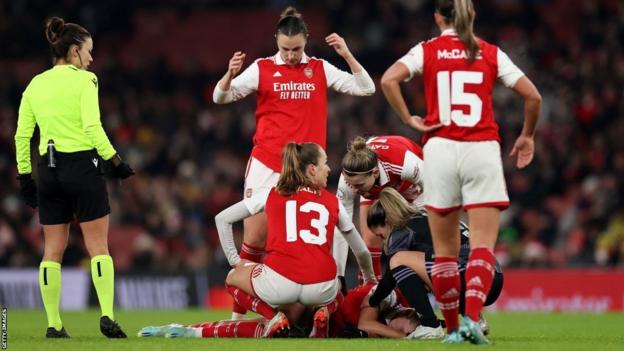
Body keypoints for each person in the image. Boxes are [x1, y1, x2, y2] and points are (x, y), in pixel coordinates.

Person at [380, 0, 541, 344]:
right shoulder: (489, 52)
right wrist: (526, 136)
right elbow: (533, 97)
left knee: (445, 251)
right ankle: (472, 320)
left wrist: (409, 118)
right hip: (481, 148)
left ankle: (451, 328)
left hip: (439, 148)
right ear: (472, 16)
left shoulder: (427, 50)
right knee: (482, 245)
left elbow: (389, 79)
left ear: (438, 17)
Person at [212, 6, 375, 320]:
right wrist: (230, 75)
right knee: (255, 239)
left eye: (297, 49)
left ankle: (316, 314)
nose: (291, 55)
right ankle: (237, 319)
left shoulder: (320, 68)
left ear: (306, 42)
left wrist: (347, 54)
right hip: (267, 163)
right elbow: (220, 98)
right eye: (286, 49)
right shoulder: (261, 69)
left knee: (313, 240)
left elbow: (366, 87)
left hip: (307, 171)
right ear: (276, 41)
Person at [14, 17, 134, 338]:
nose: (92, 59)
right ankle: (107, 316)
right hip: (82, 166)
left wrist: (25, 177)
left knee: (52, 251)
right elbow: (92, 127)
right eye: (89, 52)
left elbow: (21, 136)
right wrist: (116, 161)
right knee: (98, 247)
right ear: (75, 51)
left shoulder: (35, 84)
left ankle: (54, 324)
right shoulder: (86, 81)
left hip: (47, 172)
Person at [214, 142, 376, 338]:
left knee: (232, 278)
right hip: (321, 288)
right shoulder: (333, 201)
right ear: (311, 169)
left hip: (280, 283)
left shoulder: (272, 194)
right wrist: (369, 278)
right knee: (339, 287)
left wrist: (235, 260)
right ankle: (324, 313)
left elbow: (222, 218)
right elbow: (361, 251)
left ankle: (273, 317)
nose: (329, 169)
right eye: (325, 163)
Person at [365, 188, 504, 339]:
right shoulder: (425, 215)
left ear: (387, 221)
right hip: (493, 276)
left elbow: (390, 276)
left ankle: (430, 325)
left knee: (397, 260)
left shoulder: (401, 229)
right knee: (433, 270)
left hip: (467, 276)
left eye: (381, 234)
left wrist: (373, 300)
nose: (383, 240)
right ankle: (474, 319)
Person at [333, 135, 424, 283]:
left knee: (409, 239)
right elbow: (342, 227)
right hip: (376, 185)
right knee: (370, 240)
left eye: (359, 186)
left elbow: (431, 190)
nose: (355, 190)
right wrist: (340, 276)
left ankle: (408, 294)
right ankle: (372, 289)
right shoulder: (350, 180)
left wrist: (417, 225)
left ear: (374, 173)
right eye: (352, 185)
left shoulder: (404, 163)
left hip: (410, 184)